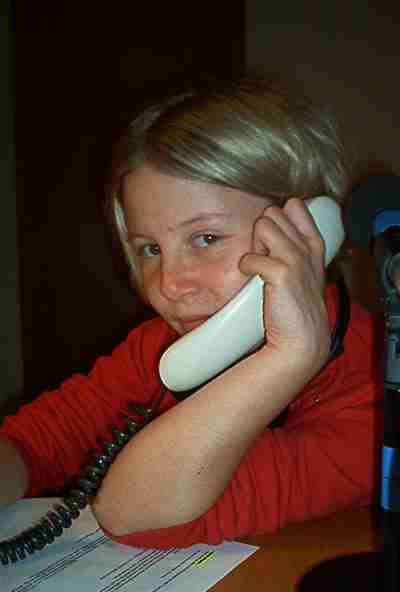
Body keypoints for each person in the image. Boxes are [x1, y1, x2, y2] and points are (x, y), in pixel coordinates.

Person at [0, 75, 383, 551]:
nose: (169, 285)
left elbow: (136, 514)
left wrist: (290, 356)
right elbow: (36, 441)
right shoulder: (160, 349)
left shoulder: (375, 400)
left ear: (312, 232)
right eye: (150, 249)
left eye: (206, 238)